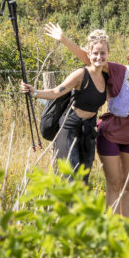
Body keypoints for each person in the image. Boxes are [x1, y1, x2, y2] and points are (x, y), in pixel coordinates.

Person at [45, 23, 129, 216]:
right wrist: (64, 39)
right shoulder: (119, 71)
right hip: (111, 134)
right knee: (114, 185)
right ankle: (110, 230)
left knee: (128, 186)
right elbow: (90, 58)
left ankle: (126, 233)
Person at [22, 30, 110, 183]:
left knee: (84, 181)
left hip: (88, 131)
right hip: (69, 128)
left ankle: (79, 208)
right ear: (88, 54)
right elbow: (57, 91)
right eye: (95, 53)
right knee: (71, 179)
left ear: (108, 54)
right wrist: (34, 92)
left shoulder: (107, 76)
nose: (99, 57)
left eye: (103, 53)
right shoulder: (81, 74)